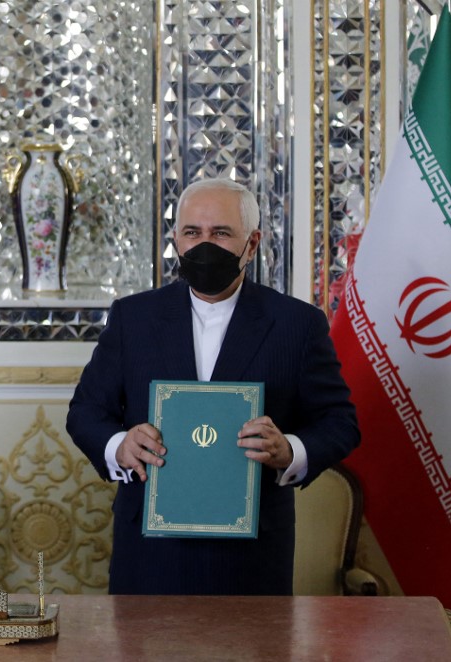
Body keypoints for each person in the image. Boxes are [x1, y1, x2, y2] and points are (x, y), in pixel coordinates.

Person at [66, 178, 359, 595]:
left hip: (252, 553)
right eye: (192, 233)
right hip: (150, 550)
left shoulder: (296, 325)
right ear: (176, 240)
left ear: (252, 243)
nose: (205, 245)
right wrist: (120, 446)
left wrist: (289, 450)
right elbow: (86, 412)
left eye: (221, 233)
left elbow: (340, 422)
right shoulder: (134, 318)